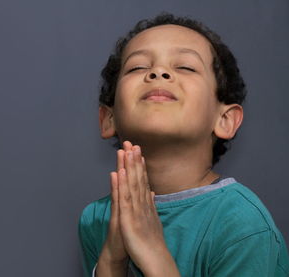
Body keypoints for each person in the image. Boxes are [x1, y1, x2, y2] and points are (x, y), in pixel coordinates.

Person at [78, 13, 289, 277]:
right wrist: (110, 263)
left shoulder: (242, 226)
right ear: (108, 118)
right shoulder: (96, 219)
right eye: (137, 67)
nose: (158, 72)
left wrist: (155, 255)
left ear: (224, 119)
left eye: (186, 67)